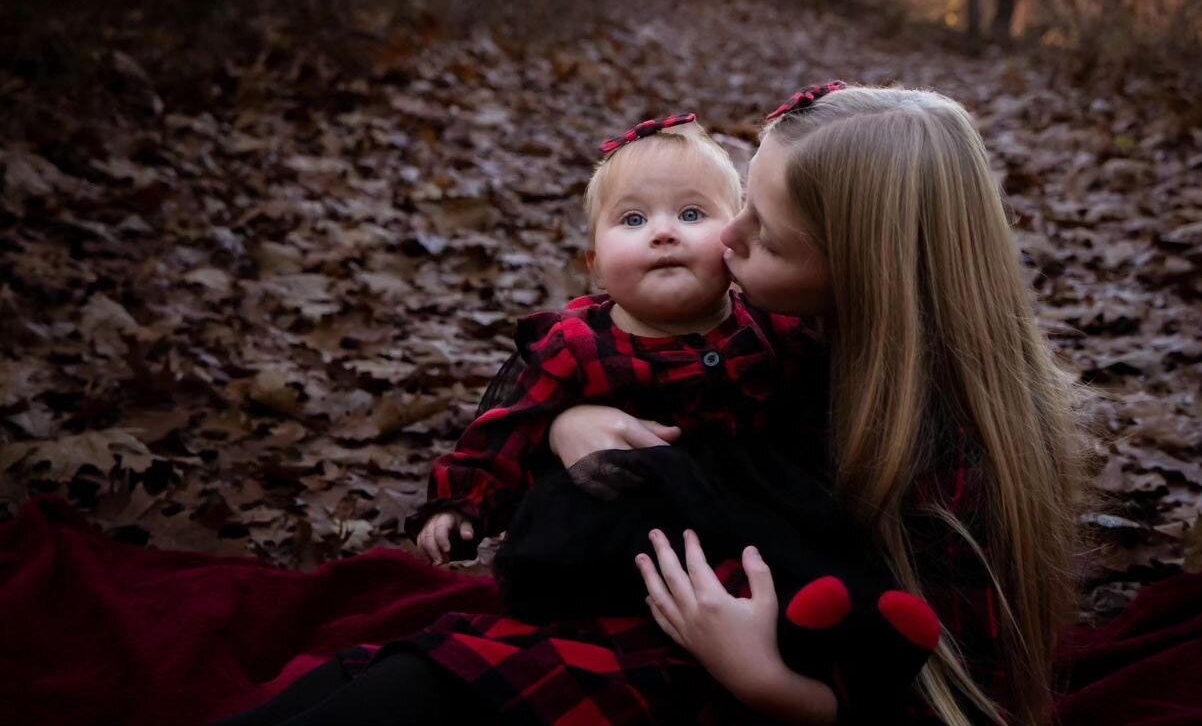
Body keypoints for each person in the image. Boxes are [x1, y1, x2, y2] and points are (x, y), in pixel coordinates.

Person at [212, 84, 1086, 726]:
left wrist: (765, 683)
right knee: (377, 678)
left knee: (431, 694)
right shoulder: (810, 333)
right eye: (739, 207)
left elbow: (947, 693)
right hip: (678, 600)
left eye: (761, 233)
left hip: (766, 682)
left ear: (861, 269)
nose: (724, 241)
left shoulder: (955, 451)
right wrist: (565, 423)